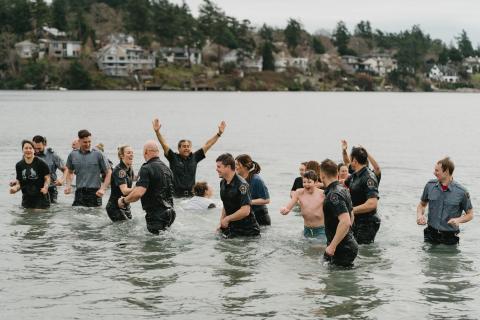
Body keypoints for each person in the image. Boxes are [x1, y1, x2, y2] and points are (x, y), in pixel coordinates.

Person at [152, 118, 226, 198]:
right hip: (176, 196)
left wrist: (219, 134)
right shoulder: (173, 157)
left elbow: (208, 145)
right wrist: (157, 132)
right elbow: (164, 144)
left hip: (191, 196)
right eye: (184, 146)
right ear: (179, 148)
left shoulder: (194, 157)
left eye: (188, 146)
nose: (186, 148)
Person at [118, 141, 175, 234]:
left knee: (153, 247)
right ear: (158, 152)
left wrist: (124, 201)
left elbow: (138, 193)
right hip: (171, 213)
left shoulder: (146, 168)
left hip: (156, 215)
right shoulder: (167, 169)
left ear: (145, 152)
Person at [417, 157, 474, 245]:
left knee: (448, 259)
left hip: (450, 237)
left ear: (446, 171)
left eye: (437, 170)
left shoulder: (462, 192)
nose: (434, 173)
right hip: (430, 234)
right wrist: (419, 215)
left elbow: (470, 215)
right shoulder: (429, 186)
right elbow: (422, 205)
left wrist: (458, 220)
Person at [320, 159, 358, 267]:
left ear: (322, 175)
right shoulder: (343, 189)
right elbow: (351, 215)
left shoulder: (333, 195)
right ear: (337, 173)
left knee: (336, 282)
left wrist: (332, 246)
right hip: (347, 244)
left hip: (342, 247)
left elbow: (345, 222)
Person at [216, 153, 260, 238]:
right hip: (232, 228)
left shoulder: (242, 185)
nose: (216, 169)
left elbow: (245, 210)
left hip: (248, 232)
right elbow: (226, 204)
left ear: (228, 167)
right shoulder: (222, 182)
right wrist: (221, 222)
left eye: (219, 167)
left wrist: (227, 219)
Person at [64, 130, 111, 207]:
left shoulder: (98, 154)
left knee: (94, 217)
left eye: (89, 142)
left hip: (95, 193)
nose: (88, 144)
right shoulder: (73, 155)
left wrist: (103, 189)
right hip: (79, 192)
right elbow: (70, 172)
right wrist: (68, 185)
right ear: (79, 141)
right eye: (85, 142)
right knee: (76, 216)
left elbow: (109, 172)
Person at [344, 146, 380, 244]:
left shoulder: (369, 177)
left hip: (368, 222)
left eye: (351, 160)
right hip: (356, 219)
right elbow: (342, 183)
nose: (350, 163)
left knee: (363, 251)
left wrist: (350, 210)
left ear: (354, 161)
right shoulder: (355, 174)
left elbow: (372, 204)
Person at [280, 170, 326, 241]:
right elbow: (288, 207)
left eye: (309, 182)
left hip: (321, 230)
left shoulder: (323, 194)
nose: (306, 184)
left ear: (315, 182)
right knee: (306, 251)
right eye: (304, 182)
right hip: (307, 230)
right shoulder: (299, 193)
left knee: (317, 248)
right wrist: (284, 210)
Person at [10, 140, 50, 209]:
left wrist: (46, 187)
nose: (28, 150)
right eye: (26, 148)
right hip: (26, 199)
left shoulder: (41, 163)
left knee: (38, 217)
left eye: (30, 148)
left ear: (34, 150)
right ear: (22, 150)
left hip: (41, 199)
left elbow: (47, 178)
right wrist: (15, 189)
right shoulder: (19, 165)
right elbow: (19, 183)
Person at [235, 154, 271, 226]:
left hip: (260, 217)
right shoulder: (237, 179)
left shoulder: (256, 180)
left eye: (237, 164)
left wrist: (248, 202)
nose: (235, 167)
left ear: (245, 166)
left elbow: (267, 200)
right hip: (246, 216)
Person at [32, 135, 67, 203]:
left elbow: (66, 169)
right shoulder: (29, 154)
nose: (36, 151)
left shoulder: (52, 155)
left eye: (39, 148)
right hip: (34, 189)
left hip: (50, 189)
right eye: (35, 148)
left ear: (44, 144)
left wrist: (62, 180)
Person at [106, 145, 135, 222]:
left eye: (132, 153)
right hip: (115, 207)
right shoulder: (119, 171)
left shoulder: (130, 169)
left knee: (128, 228)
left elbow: (134, 180)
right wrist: (138, 188)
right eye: (128, 153)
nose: (132, 154)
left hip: (125, 205)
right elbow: (124, 191)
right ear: (122, 156)